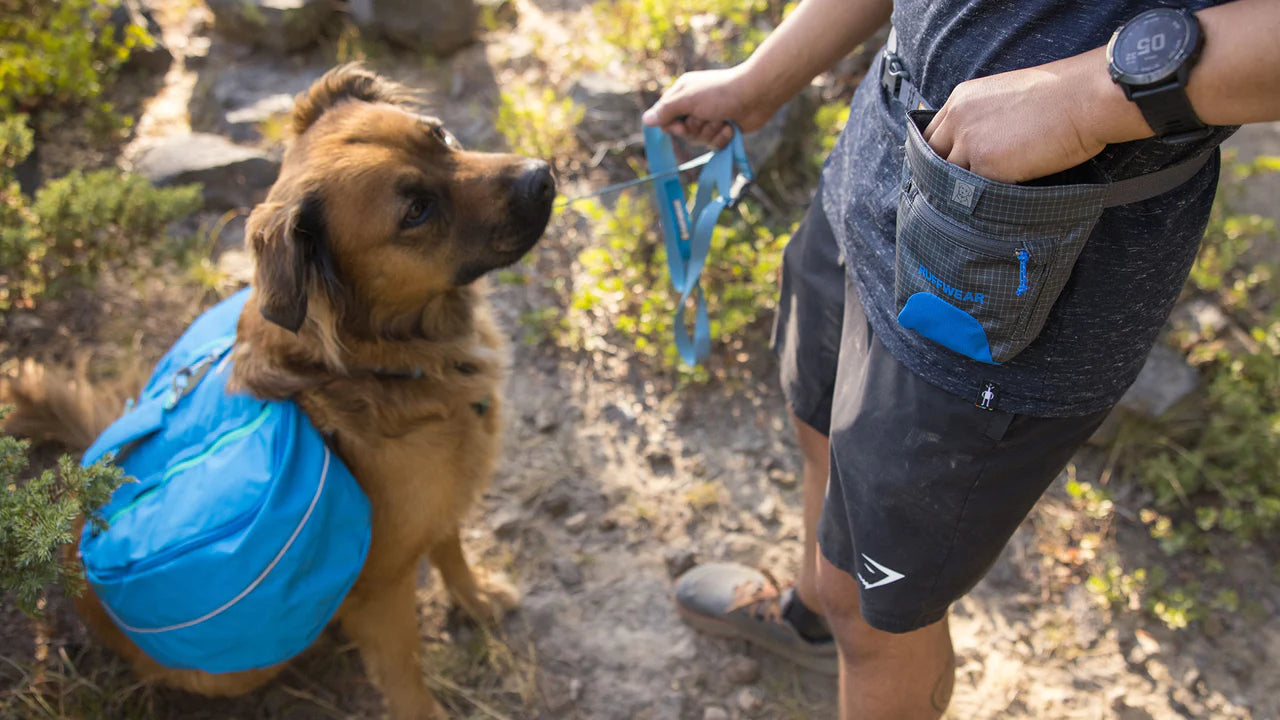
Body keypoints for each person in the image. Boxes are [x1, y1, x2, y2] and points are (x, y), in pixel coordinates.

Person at [642, 1, 1280, 717]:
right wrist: (762, 76)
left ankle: (844, 621)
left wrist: (1083, 102)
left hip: (1030, 254)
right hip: (882, 148)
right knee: (818, 421)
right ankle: (814, 620)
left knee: (880, 613)